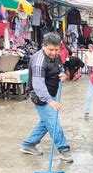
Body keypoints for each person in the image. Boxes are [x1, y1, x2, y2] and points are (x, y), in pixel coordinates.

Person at [20, 33, 73, 163]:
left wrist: (62, 74)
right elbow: (38, 86)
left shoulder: (57, 56)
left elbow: (59, 68)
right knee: (53, 122)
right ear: (43, 46)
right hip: (40, 95)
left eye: (56, 49)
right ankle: (64, 150)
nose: (54, 52)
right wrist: (50, 101)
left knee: (46, 122)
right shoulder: (38, 61)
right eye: (50, 50)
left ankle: (28, 145)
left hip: (51, 93)